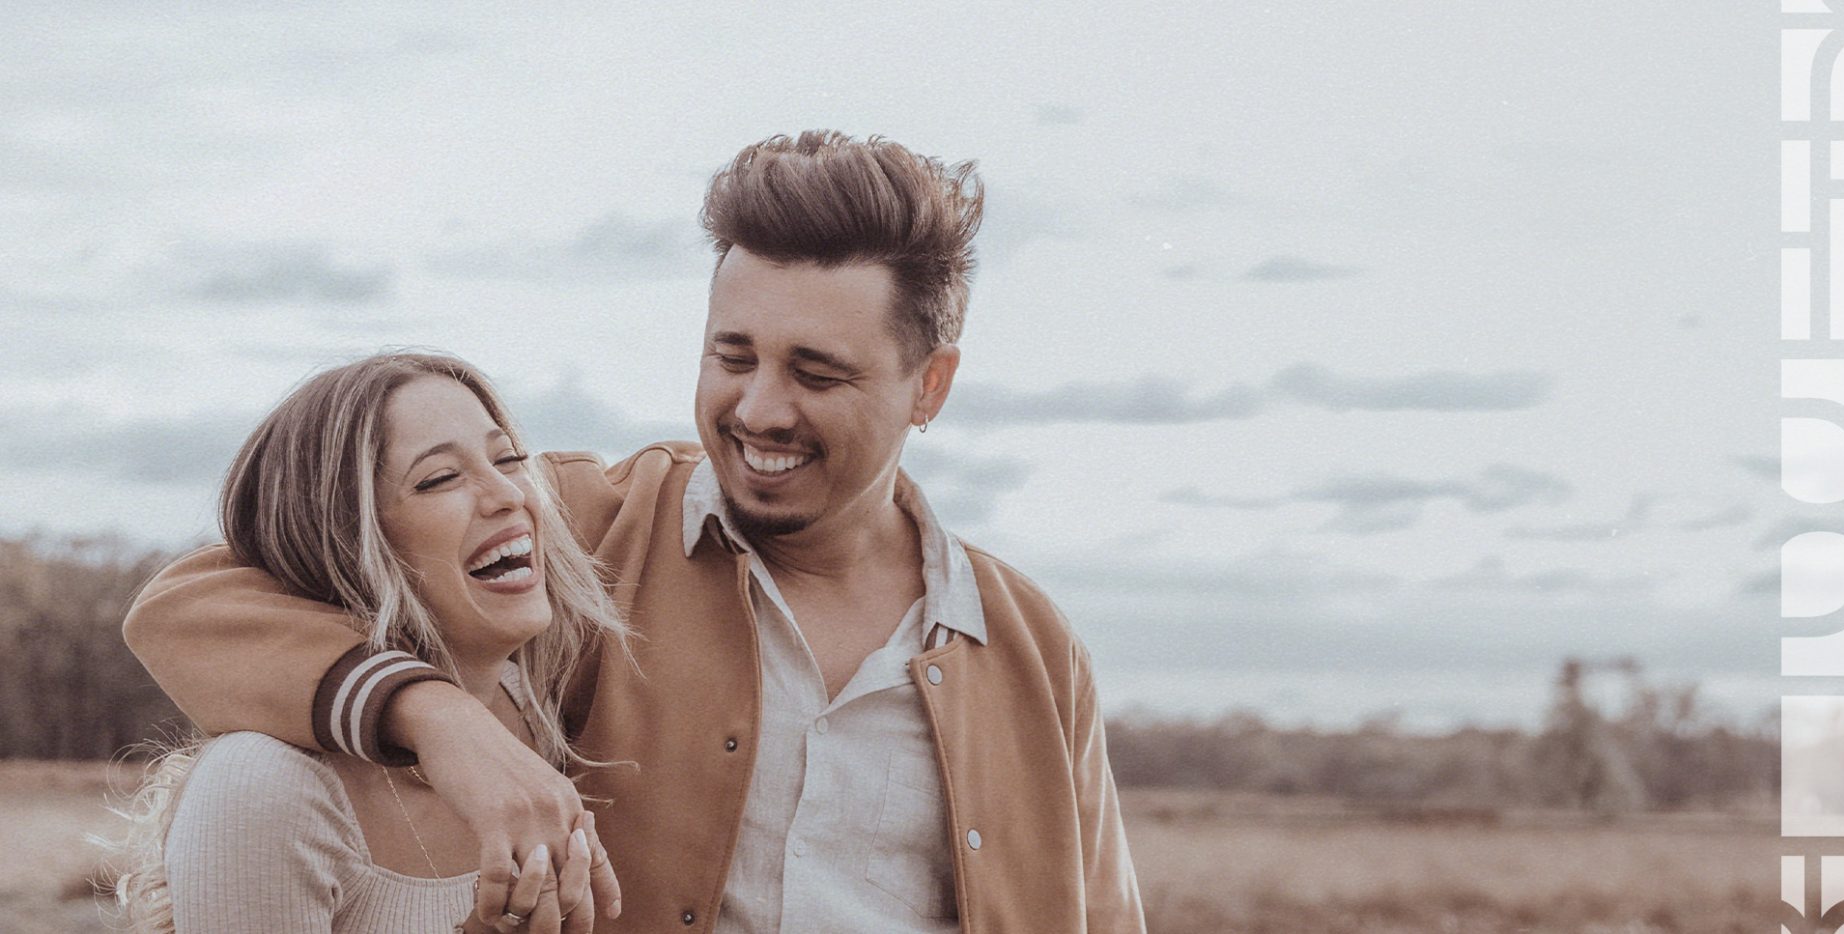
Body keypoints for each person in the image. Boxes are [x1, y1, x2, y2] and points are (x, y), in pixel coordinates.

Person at [123, 131, 1147, 933]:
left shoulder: (1033, 649)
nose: (758, 409)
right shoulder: (579, 530)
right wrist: (439, 718)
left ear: (930, 385)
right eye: (732, 355)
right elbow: (193, 603)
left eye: (816, 371)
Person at [108, 353, 631, 932]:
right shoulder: (264, 787)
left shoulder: (539, 704)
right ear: (340, 542)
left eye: (508, 459)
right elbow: (169, 605)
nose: (508, 494)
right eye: (439, 479)